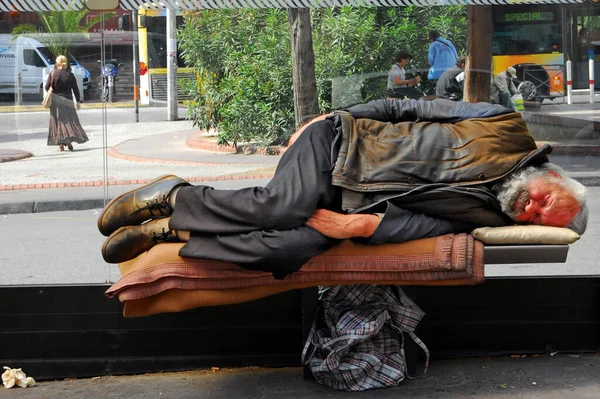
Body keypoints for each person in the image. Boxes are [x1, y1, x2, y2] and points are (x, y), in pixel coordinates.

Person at [98, 99, 588, 279]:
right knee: (283, 206)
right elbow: (405, 107)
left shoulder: (491, 216)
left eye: (538, 221)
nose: (532, 210)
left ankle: (169, 234)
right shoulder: (506, 125)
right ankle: (173, 196)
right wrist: (336, 117)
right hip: (341, 146)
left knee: (292, 248)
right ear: (551, 176)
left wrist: (367, 224)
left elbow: (434, 223)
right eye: (545, 202)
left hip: (353, 200)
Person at [45, 55, 88, 152]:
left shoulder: (52, 74)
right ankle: (68, 142)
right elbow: (76, 89)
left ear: (57, 63)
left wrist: (52, 89)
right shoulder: (70, 75)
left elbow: (47, 87)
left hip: (55, 101)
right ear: (65, 63)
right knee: (69, 121)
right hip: (68, 100)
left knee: (58, 121)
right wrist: (78, 101)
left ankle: (60, 144)